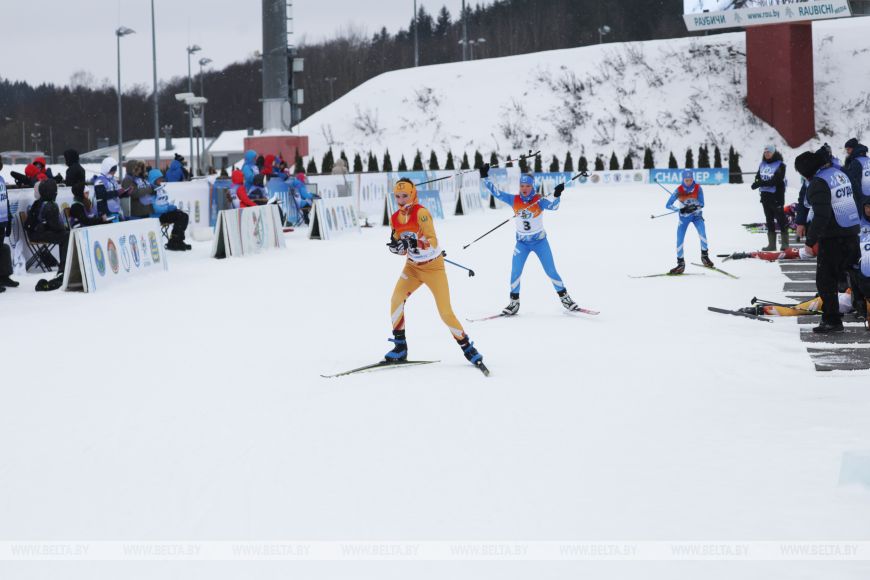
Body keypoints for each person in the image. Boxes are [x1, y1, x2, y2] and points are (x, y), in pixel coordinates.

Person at [385, 178, 486, 372]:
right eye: (397, 196)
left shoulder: (421, 213)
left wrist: (412, 243)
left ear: (413, 194)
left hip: (433, 268)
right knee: (396, 300)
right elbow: (401, 247)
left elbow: (432, 241)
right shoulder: (395, 218)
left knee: (445, 312)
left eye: (405, 196)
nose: (401, 200)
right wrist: (396, 248)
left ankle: (468, 348)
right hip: (412, 268)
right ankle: (400, 347)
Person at [479, 165, 583, 314]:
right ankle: (514, 303)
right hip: (522, 244)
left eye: (527, 186)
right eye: (522, 185)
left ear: (532, 186)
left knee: (551, 271)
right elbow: (496, 193)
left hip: (540, 242)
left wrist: (557, 194)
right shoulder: (514, 199)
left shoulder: (539, 200)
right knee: (515, 272)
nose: (524, 188)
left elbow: (554, 207)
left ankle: (566, 299)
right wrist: (484, 176)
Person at [795, 149, 861, 333]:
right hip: (852, 231)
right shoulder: (838, 173)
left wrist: (810, 241)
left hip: (833, 237)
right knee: (856, 277)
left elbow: (821, 216)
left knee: (826, 280)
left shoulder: (818, 182)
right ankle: (863, 309)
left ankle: (832, 320)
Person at [665, 169, 713, 274]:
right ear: (683, 179)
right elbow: (668, 205)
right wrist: (679, 210)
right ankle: (680, 264)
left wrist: (694, 207)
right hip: (684, 218)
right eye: (686, 180)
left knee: (703, 235)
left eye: (690, 180)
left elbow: (702, 203)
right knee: (679, 240)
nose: (689, 182)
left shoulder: (698, 188)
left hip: (697, 216)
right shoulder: (679, 190)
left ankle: (705, 256)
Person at [25, 180, 68, 290]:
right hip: (38, 235)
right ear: (52, 192)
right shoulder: (50, 205)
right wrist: (64, 229)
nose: (56, 193)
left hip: (34, 233)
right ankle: (63, 268)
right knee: (67, 236)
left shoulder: (39, 202)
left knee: (65, 234)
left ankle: (65, 266)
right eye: (55, 191)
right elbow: (56, 226)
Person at [751, 144, 788, 251]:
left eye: (769, 152)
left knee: (781, 220)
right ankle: (771, 245)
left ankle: (785, 244)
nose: (767, 154)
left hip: (776, 197)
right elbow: (758, 177)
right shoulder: (762, 164)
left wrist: (761, 183)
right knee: (769, 220)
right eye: (765, 152)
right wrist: (757, 182)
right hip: (765, 196)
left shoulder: (780, 165)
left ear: (773, 153)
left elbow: (776, 180)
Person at [147, 169, 191, 251]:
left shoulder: (161, 189)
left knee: (185, 216)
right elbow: (154, 209)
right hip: (157, 216)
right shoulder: (150, 192)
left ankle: (179, 240)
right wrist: (167, 208)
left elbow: (164, 202)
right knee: (180, 217)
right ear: (153, 180)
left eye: (161, 178)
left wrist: (170, 206)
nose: (161, 180)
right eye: (159, 179)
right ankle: (174, 242)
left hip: (164, 213)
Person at [0, 161, 19, 290]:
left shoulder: (1, 179)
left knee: (2, 248)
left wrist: (9, 218)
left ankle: (3, 277)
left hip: (2, 220)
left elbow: (4, 199)